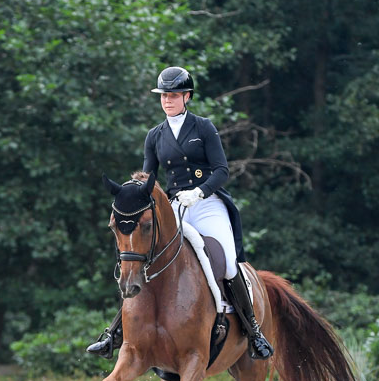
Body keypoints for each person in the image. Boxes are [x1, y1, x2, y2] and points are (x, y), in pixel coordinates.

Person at [87, 66, 273, 361]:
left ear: (187, 96)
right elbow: (148, 179)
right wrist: (132, 194)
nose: (167, 100)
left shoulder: (203, 127)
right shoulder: (155, 135)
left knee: (225, 262)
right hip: (174, 207)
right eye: (163, 95)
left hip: (207, 203)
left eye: (173, 95)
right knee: (144, 260)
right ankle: (114, 333)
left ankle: (253, 330)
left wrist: (200, 192)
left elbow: (222, 169)